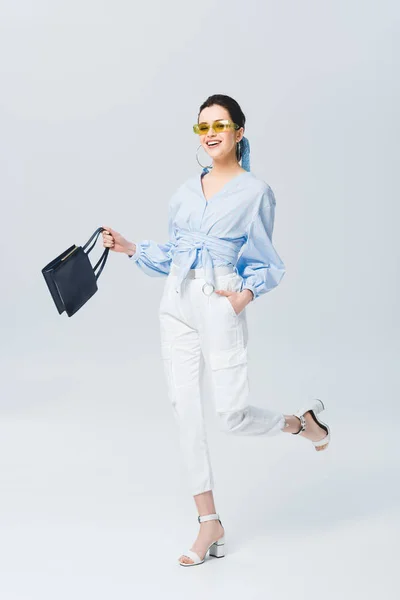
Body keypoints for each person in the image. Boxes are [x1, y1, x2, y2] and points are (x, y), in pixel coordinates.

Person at [102, 94, 331, 567]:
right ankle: (209, 522)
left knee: (231, 415)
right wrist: (129, 248)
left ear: (239, 132)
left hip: (219, 299)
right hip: (176, 302)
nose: (210, 133)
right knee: (183, 409)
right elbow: (176, 250)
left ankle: (299, 424)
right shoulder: (185, 191)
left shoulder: (255, 191)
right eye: (202, 126)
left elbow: (267, 258)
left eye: (220, 124)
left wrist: (245, 295)